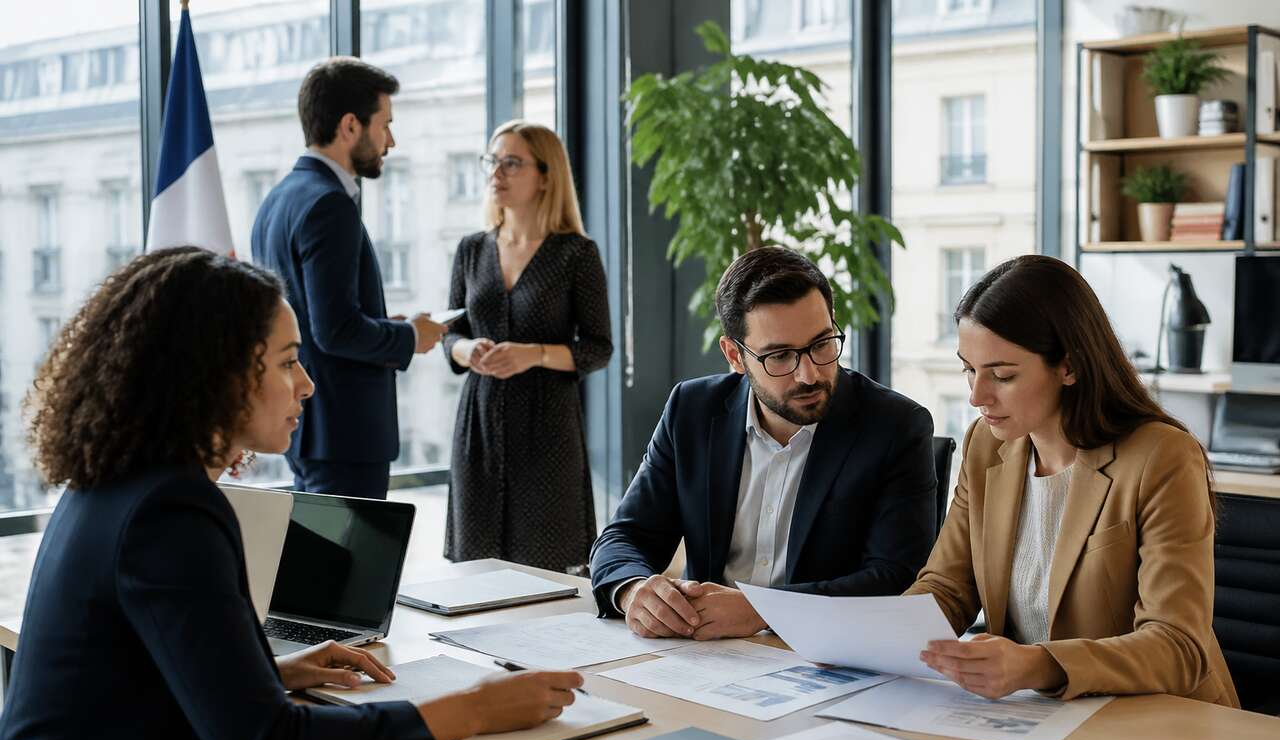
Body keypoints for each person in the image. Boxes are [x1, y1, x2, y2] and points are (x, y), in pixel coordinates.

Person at [0, 248, 582, 740]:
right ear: (211, 373)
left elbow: (138, 683)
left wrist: (265, 676)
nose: (306, 384)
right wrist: (474, 710)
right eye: (286, 363)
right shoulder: (170, 513)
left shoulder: (116, 483)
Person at [910, 254, 1239, 708]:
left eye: (1002, 375)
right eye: (969, 369)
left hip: (1162, 723)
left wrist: (1036, 665)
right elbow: (947, 588)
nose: (976, 396)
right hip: (1040, 720)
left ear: (1069, 366)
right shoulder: (987, 445)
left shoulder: (1162, 458)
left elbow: (1177, 646)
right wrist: (867, 641)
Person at [591, 246, 937, 640]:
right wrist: (634, 591)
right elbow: (625, 536)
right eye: (780, 356)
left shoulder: (895, 426)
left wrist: (763, 611)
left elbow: (895, 578)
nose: (809, 374)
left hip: (823, 658)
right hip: (701, 654)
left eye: (822, 344)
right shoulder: (692, 410)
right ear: (734, 356)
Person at [252, 57, 445, 500]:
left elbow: (316, 314)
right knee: (344, 568)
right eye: (385, 125)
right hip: (342, 435)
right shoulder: (329, 205)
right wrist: (408, 337)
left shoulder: (277, 201)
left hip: (308, 429)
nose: (390, 140)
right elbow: (336, 330)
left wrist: (384, 320)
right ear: (350, 126)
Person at [443, 120, 612, 572]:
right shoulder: (471, 250)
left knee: (545, 569)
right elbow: (450, 333)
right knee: (474, 570)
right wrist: (468, 351)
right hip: (479, 424)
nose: (496, 173)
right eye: (492, 162)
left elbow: (598, 347)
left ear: (545, 174)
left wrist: (532, 354)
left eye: (511, 163)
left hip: (547, 431)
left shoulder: (576, 254)